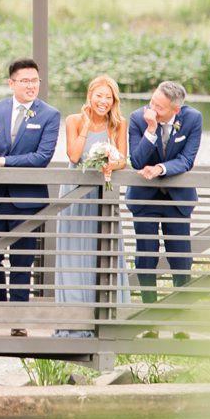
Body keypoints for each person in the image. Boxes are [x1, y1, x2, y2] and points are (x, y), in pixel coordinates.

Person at [0, 58, 61, 335]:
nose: (31, 86)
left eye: (35, 80)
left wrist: (3, 162)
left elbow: (42, 158)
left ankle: (18, 320)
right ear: (12, 83)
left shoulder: (49, 114)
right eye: (25, 81)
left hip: (28, 198)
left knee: (22, 259)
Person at [55, 75, 130, 338]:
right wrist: (86, 126)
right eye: (99, 96)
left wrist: (111, 161)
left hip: (102, 194)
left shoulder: (118, 124)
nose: (103, 102)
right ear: (90, 96)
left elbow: (123, 160)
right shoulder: (73, 121)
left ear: (114, 101)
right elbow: (74, 156)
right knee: (75, 250)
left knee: (103, 247)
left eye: (108, 98)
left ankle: (108, 315)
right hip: (76, 194)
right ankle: (74, 319)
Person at [126, 80, 203, 306]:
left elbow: (187, 160)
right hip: (144, 199)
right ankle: (149, 313)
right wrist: (151, 129)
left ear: (175, 109)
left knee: (181, 259)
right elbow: (137, 161)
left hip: (177, 199)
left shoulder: (192, 118)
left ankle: (180, 314)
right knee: (145, 257)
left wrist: (161, 168)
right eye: (152, 102)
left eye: (159, 107)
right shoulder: (138, 118)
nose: (152, 109)